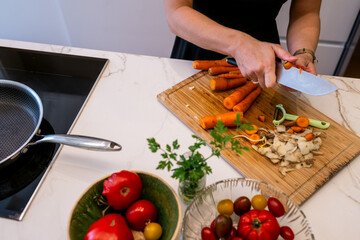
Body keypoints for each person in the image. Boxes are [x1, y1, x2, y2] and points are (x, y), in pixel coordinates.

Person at [164, 0, 321, 89]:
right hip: (199, 47)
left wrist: (303, 52)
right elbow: (177, 12)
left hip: (263, 63)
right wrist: (239, 44)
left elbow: (306, 13)